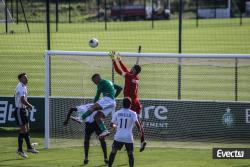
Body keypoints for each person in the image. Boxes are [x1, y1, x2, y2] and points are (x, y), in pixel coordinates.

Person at [109, 51, 146, 152]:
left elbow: (118, 70)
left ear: (134, 70)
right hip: (136, 101)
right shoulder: (136, 78)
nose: (131, 69)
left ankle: (124, 142)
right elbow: (126, 70)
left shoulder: (129, 76)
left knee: (126, 121)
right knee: (136, 121)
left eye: (133, 68)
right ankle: (142, 140)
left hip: (130, 101)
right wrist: (120, 60)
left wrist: (113, 60)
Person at [80, 73, 122, 138]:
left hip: (108, 99)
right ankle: (105, 131)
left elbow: (97, 96)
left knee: (93, 107)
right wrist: (113, 97)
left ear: (98, 78)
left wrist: (94, 104)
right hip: (112, 102)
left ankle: (81, 118)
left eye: (94, 81)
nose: (95, 83)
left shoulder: (101, 83)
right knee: (97, 117)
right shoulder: (108, 82)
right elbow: (120, 88)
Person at [108, 97, 143, 167]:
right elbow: (137, 123)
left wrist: (116, 126)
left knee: (113, 152)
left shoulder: (117, 113)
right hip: (128, 137)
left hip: (118, 136)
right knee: (130, 154)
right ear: (130, 105)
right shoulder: (133, 113)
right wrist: (140, 132)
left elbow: (111, 124)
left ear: (122, 104)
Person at [13, 72, 39, 158]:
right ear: (20, 79)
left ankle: (29, 147)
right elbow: (22, 99)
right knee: (23, 130)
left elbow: (16, 96)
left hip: (23, 110)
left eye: (27, 77)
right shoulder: (21, 87)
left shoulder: (23, 86)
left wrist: (26, 107)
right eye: (24, 77)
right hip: (19, 111)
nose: (26, 79)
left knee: (27, 128)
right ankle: (20, 150)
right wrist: (29, 105)